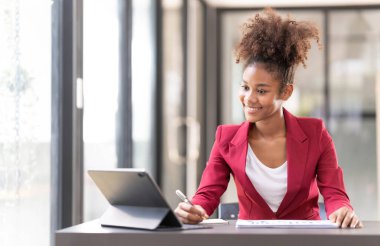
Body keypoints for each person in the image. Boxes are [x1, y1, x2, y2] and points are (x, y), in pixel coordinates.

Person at [174, 8, 363, 229]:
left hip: (305, 240)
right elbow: (206, 195)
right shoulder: (226, 138)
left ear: (286, 92)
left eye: (261, 91)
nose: (249, 98)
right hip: (251, 240)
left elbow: (334, 193)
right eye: (245, 87)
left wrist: (342, 209)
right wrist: (195, 209)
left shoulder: (315, 134)